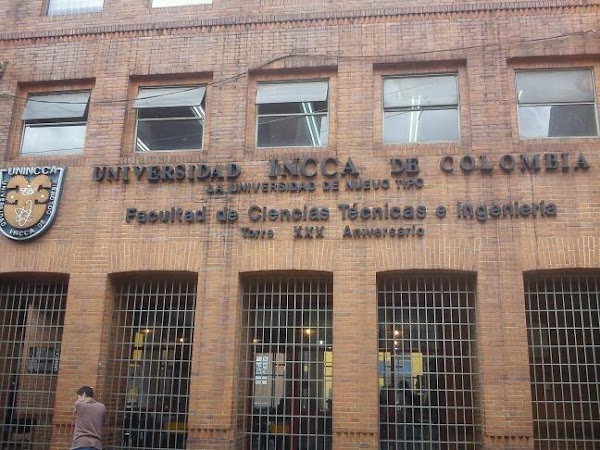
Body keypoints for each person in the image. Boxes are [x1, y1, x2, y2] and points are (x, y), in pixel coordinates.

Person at [71, 386, 107, 450]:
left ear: (84, 395)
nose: (78, 399)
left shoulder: (80, 405)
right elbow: (103, 423)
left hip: (81, 443)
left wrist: (82, 399)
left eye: (78, 397)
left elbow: (76, 406)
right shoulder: (102, 407)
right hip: (96, 444)